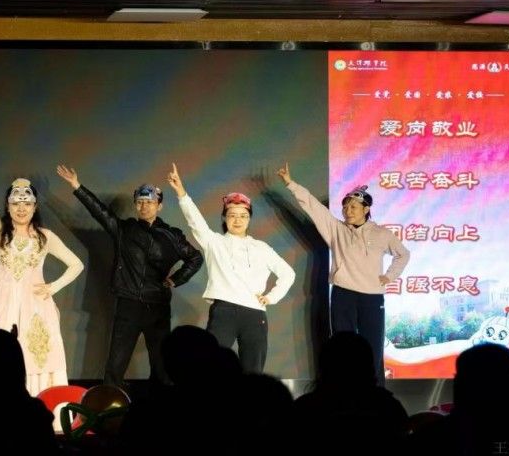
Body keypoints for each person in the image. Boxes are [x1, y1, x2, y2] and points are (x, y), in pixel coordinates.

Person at [0, 142, 83, 395]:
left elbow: (77, 264)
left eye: (27, 204)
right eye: (16, 204)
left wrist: (53, 287)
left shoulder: (45, 237)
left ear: (34, 207)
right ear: (8, 206)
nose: (21, 209)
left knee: (37, 360)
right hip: (2, 304)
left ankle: (39, 408)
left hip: (35, 307)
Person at [56, 165, 202, 387]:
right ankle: (109, 403)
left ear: (159, 205)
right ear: (135, 204)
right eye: (140, 202)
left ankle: (162, 405)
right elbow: (100, 212)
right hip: (128, 303)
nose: (144, 206)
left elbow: (195, 258)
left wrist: (175, 280)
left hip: (157, 306)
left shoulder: (172, 235)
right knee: (115, 364)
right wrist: (77, 185)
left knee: (162, 367)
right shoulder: (124, 229)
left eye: (149, 202)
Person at [277, 162, 409, 385]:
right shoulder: (336, 229)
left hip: (372, 297)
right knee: (341, 346)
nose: (348, 211)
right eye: (345, 207)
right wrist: (291, 184)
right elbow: (313, 207)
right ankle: (341, 389)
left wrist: (389, 276)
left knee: (373, 348)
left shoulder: (381, 233)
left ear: (366, 209)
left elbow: (403, 255)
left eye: (353, 207)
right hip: (343, 294)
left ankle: (376, 392)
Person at [167, 163, 295, 373]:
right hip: (223, 312)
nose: (238, 220)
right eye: (233, 215)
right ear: (225, 218)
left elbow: (288, 273)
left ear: (249, 219)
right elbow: (195, 222)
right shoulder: (214, 242)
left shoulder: (262, 247)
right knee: (211, 367)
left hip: (254, 315)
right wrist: (181, 193)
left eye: (243, 215)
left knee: (253, 371)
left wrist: (271, 297)